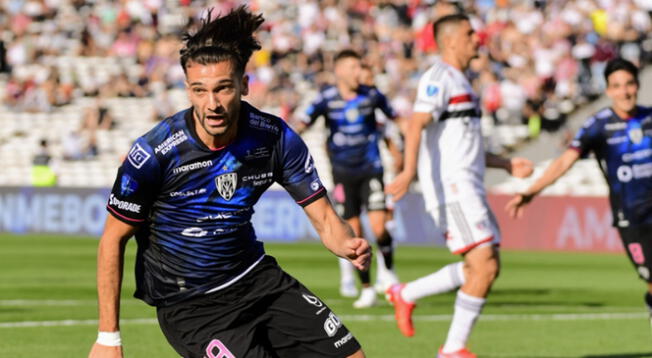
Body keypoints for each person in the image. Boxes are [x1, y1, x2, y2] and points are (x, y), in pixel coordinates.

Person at [87, 7, 370, 358]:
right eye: (199, 91)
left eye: (222, 89)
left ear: (244, 85)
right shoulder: (155, 152)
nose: (212, 104)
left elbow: (326, 218)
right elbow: (112, 240)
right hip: (192, 305)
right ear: (187, 90)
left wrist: (345, 242)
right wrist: (108, 338)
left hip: (257, 279)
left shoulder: (272, 138)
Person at [386, 14, 533, 358]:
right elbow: (415, 123)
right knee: (485, 265)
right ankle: (452, 349)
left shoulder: (463, 82)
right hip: (452, 187)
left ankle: (405, 293)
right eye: (469, 33)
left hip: (469, 185)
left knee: (479, 266)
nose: (477, 38)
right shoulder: (439, 78)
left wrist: (507, 163)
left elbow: (466, 145)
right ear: (450, 40)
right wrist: (408, 172)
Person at [506, 57, 652, 326]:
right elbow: (564, 161)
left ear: (637, 85)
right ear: (608, 91)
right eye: (617, 86)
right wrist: (532, 191)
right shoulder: (598, 125)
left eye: (629, 84)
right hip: (631, 217)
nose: (625, 92)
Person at [295, 50, 400, 308]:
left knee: (379, 228)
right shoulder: (326, 99)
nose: (358, 72)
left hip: (371, 169)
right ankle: (366, 288)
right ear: (340, 70)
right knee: (355, 233)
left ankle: (388, 272)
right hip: (342, 175)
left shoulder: (372, 96)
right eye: (353, 67)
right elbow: (301, 123)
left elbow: (397, 119)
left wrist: (403, 150)